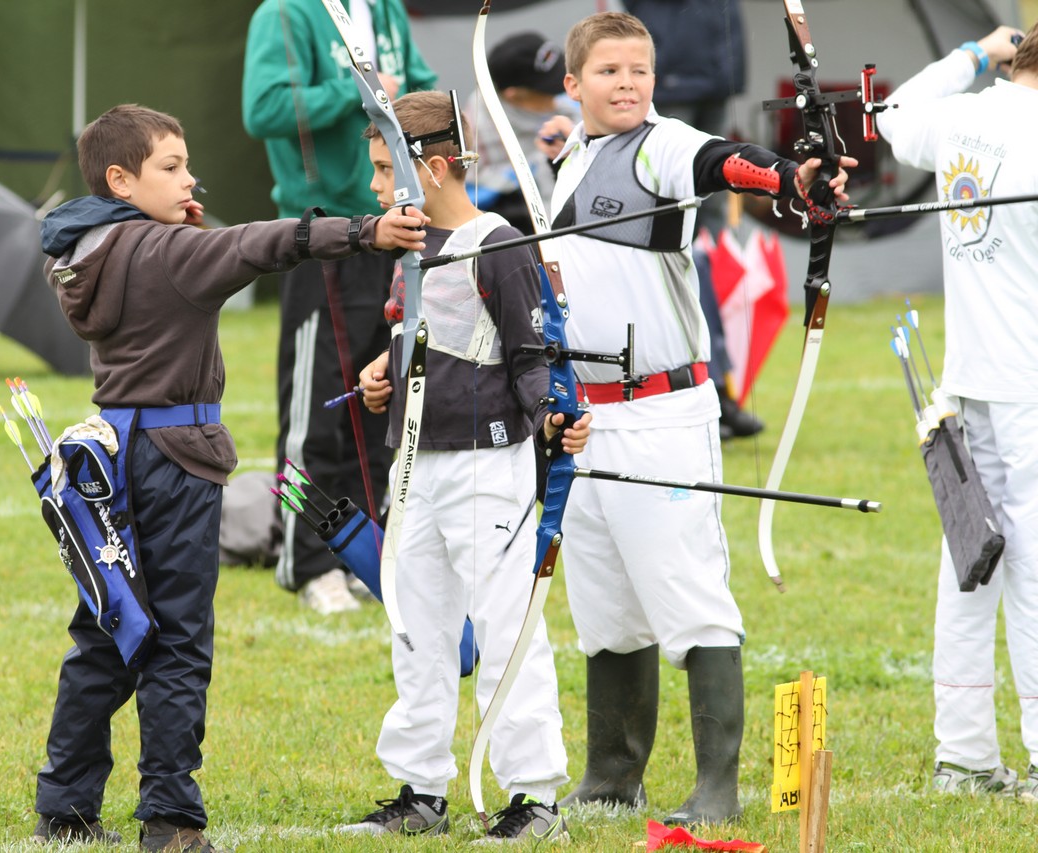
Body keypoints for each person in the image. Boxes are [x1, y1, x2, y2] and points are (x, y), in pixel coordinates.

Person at [31, 103, 425, 850]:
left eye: (187, 164)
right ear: (120, 178)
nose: (190, 178)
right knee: (178, 639)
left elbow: (210, 256)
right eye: (170, 168)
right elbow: (264, 243)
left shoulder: (90, 246)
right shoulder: (173, 252)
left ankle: (66, 806)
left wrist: (182, 225)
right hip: (175, 462)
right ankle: (171, 820)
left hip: (109, 462)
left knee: (107, 627)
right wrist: (366, 231)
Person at [535, 12, 854, 824]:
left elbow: (722, 162)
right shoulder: (572, 157)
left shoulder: (662, 144)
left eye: (639, 69)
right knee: (606, 608)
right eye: (609, 71)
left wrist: (793, 178)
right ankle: (612, 775)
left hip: (662, 413)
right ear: (574, 84)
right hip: (589, 418)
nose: (628, 83)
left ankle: (717, 785)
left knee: (689, 596)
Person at [339, 91, 590, 842]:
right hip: (416, 463)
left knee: (508, 624)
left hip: (488, 466)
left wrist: (553, 412)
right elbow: (416, 340)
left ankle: (534, 795)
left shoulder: (499, 244)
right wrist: (383, 371)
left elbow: (531, 354)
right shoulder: (408, 250)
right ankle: (420, 790)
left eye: (389, 172)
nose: (378, 190)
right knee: (416, 628)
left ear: (437, 166)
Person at [876, 23, 1038, 801]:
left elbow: (893, 111)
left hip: (973, 378)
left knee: (972, 562)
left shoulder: (966, 113)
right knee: (1026, 566)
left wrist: (976, 53)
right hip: (1028, 384)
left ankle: (965, 756)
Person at [242, 0, 438, 615]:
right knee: (316, 408)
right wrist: (359, 91)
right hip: (322, 231)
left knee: (384, 399)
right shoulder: (286, 12)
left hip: (393, 225)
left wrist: (422, 102)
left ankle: (363, 552)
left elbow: (423, 92)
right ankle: (306, 561)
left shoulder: (385, 10)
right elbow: (265, 107)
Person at [625, 0, 763, 440]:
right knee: (679, 248)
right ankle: (702, 392)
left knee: (709, 252)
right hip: (678, 84)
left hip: (717, 80)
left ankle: (720, 393)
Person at [468, 31, 581, 233]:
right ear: (515, 94)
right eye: (550, 89)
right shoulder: (478, 135)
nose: (567, 90)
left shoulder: (570, 102)